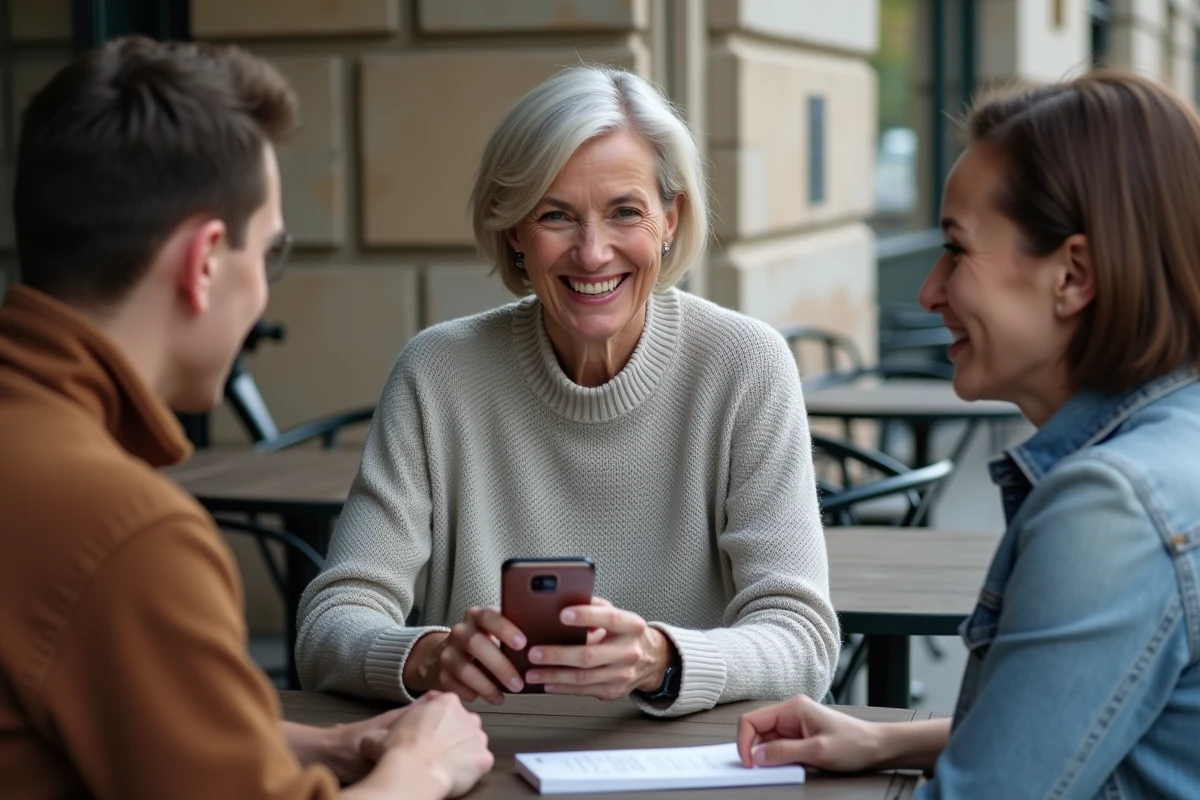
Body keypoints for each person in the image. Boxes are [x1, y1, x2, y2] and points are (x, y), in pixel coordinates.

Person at [0, 36, 491, 799]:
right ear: (204, 263)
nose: (263, 291)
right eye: (267, 254)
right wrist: (420, 768)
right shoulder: (128, 534)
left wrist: (318, 743)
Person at [296, 65, 839, 718]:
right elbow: (329, 625)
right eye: (556, 215)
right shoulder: (437, 373)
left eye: (625, 212)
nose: (592, 252)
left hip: (691, 763)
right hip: (478, 756)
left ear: (671, 219)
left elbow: (804, 641)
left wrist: (662, 659)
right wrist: (429, 656)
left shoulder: (746, 365)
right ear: (514, 232)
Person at [736, 71, 1200, 798]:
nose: (929, 290)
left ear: (1073, 274)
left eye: (956, 249)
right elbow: (1097, 721)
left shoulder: (1111, 510)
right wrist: (881, 739)